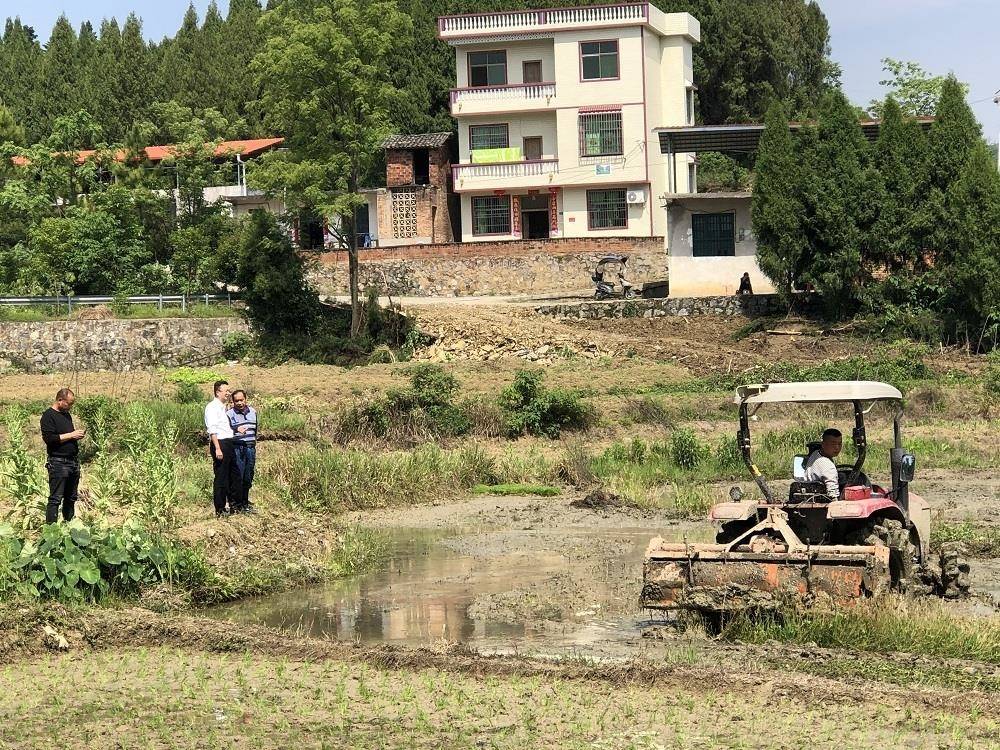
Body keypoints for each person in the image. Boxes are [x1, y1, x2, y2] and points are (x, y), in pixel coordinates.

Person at [40, 388, 85, 524]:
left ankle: (69, 527)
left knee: (71, 497)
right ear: (60, 400)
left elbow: (65, 437)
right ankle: (51, 532)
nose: (70, 407)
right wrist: (72, 435)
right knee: (55, 499)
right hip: (59, 462)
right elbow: (49, 438)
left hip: (72, 462)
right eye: (69, 404)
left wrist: (75, 436)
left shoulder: (66, 415)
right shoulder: (48, 416)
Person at [204, 380, 241, 517]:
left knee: (234, 475)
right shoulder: (212, 407)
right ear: (218, 391)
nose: (228, 393)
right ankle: (220, 509)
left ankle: (233, 505)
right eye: (226, 391)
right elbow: (212, 430)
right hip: (220, 443)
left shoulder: (222, 408)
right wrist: (218, 448)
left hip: (228, 442)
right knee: (221, 477)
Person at [227, 389, 257, 513]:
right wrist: (235, 430)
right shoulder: (229, 414)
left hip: (250, 448)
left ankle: (245, 502)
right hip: (237, 448)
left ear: (246, 399)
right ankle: (236, 504)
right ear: (233, 401)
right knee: (237, 476)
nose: (239, 403)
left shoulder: (253, 412)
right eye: (236, 401)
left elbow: (256, 430)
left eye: (241, 400)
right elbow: (225, 431)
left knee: (248, 476)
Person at [803, 428, 842, 499]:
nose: (837, 447)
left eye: (839, 444)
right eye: (833, 444)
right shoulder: (827, 465)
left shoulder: (815, 454)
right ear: (823, 445)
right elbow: (833, 494)